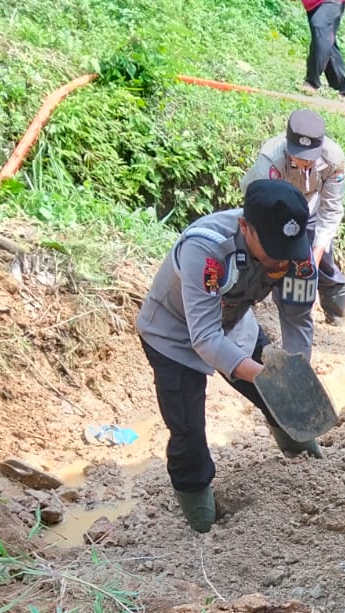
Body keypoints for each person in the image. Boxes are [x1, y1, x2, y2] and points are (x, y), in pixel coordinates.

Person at [136, 179, 323, 533]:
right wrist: (267, 374)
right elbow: (203, 337)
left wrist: (294, 372)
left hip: (234, 320)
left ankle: (304, 454)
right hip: (173, 334)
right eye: (272, 249)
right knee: (188, 429)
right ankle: (199, 509)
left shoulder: (295, 247)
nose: (281, 257)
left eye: (288, 249)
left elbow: (297, 316)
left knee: (279, 393)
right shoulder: (205, 249)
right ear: (244, 227)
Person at [241, 109, 345, 322]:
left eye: (310, 157)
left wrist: (315, 256)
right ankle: (245, 303)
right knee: (262, 253)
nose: (304, 162)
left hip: (310, 207)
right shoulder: (270, 159)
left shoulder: (334, 160)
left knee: (322, 261)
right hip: (273, 208)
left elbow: (331, 209)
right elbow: (259, 201)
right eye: (298, 156)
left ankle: (335, 312)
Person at [299, 0, 345, 97]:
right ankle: (341, 87)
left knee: (320, 25)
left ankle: (312, 81)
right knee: (325, 37)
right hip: (312, 4)